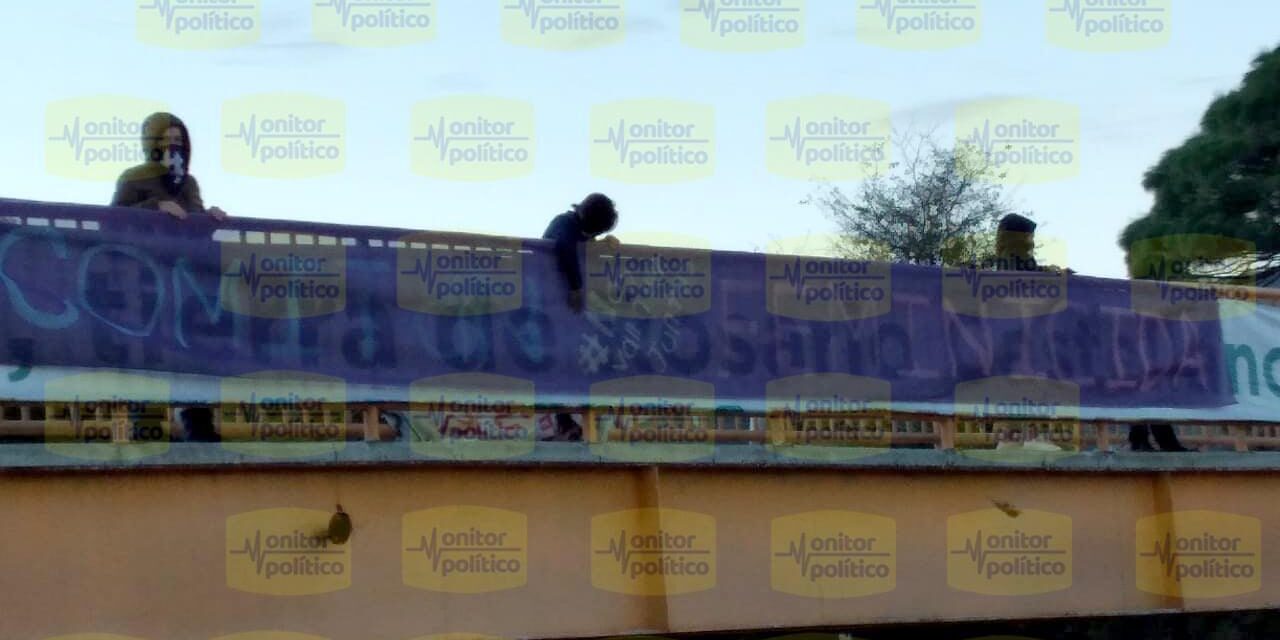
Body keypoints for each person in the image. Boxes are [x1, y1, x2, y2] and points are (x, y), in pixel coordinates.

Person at [542, 193, 619, 442]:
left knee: (570, 362)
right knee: (557, 363)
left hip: (561, 311)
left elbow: (577, 246)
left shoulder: (572, 227)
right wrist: (576, 287)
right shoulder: (565, 224)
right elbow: (565, 248)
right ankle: (564, 422)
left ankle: (572, 422)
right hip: (553, 307)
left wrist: (600, 246)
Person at [1124, 243, 1193, 453]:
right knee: (1145, 390)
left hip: (1155, 346)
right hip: (1142, 347)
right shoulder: (1141, 287)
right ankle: (1141, 440)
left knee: (1155, 392)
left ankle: (1157, 441)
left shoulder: (1155, 285)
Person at [111, 112, 227, 220]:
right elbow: (114, 218)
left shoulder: (189, 183)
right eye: (165, 140)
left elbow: (195, 222)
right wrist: (156, 206)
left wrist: (210, 217)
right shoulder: (133, 177)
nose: (172, 145)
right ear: (152, 144)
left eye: (177, 140)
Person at [542, 193, 619, 313]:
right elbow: (567, 250)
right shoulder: (564, 223)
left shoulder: (576, 226)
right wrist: (576, 288)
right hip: (548, 292)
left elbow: (582, 247)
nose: (595, 235)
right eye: (596, 232)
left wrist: (603, 243)